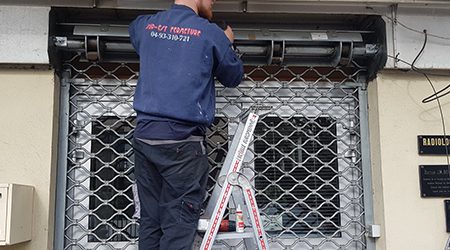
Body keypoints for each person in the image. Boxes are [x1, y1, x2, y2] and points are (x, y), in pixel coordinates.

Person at [128, 0, 244, 249]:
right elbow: (234, 77)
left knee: (151, 221)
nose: (214, 1)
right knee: (178, 225)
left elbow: (137, 33)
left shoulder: (145, 25)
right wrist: (227, 43)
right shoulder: (210, 33)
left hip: (145, 138)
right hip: (182, 144)